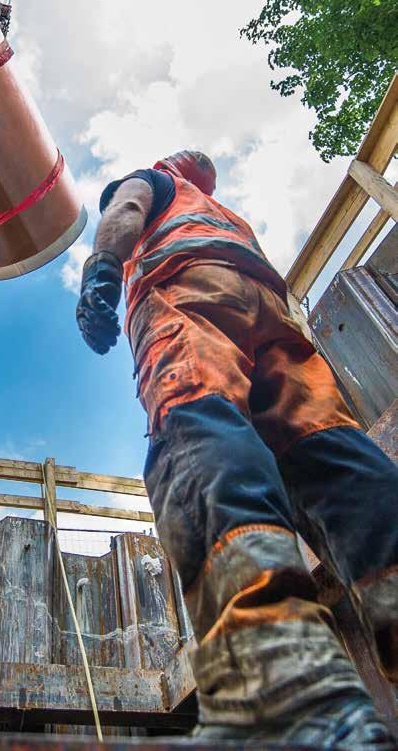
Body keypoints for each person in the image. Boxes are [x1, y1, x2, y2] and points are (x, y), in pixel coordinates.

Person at [76, 150, 398, 747]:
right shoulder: (221, 212)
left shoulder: (152, 185)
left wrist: (102, 269)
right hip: (269, 306)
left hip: (186, 289)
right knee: (328, 451)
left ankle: (277, 693)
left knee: (198, 425)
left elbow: (123, 209)